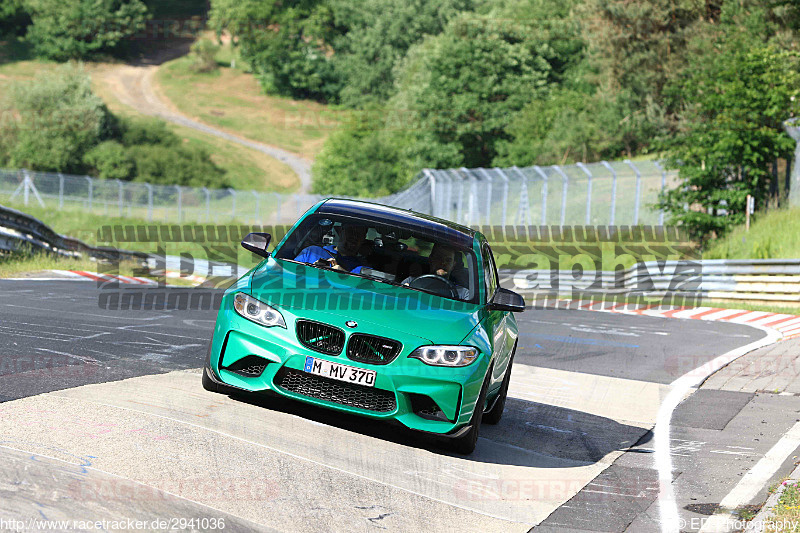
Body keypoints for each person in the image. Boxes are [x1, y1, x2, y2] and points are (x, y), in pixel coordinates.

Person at [402, 243, 470, 299]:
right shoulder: (410, 282)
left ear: (453, 265)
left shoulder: (463, 294)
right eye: (439, 258)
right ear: (430, 259)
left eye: (448, 260)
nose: (443, 263)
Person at [294, 224, 369, 273]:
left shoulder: (363, 269)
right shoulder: (311, 252)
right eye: (350, 232)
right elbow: (290, 274)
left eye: (359, 234)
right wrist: (312, 269)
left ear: (363, 239)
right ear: (340, 232)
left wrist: (343, 275)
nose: (354, 238)